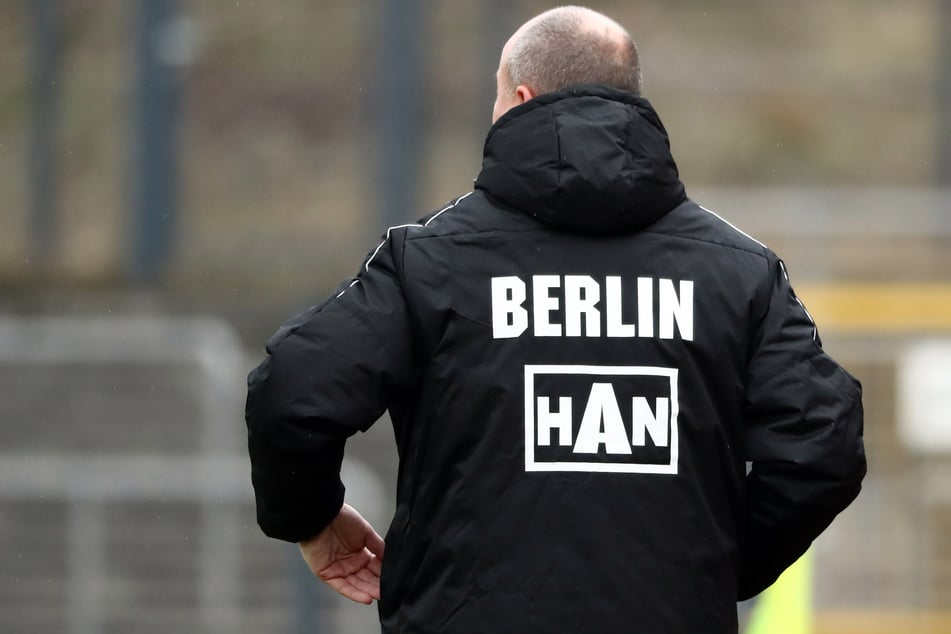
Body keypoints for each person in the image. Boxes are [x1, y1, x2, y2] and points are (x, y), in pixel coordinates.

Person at [246, 6, 866, 633]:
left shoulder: (429, 261)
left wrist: (312, 516)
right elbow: (823, 448)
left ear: (519, 99)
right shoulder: (741, 273)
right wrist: (717, 565)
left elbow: (294, 391)